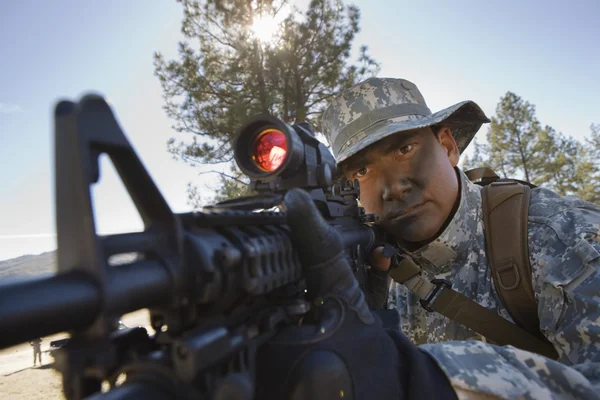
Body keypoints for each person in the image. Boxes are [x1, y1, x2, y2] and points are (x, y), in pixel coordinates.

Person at [304, 77, 599, 398]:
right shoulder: (360, 264)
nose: (393, 188)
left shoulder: (561, 234)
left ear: (447, 146)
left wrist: (426, 376)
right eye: (362, 172)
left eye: (404, 149)